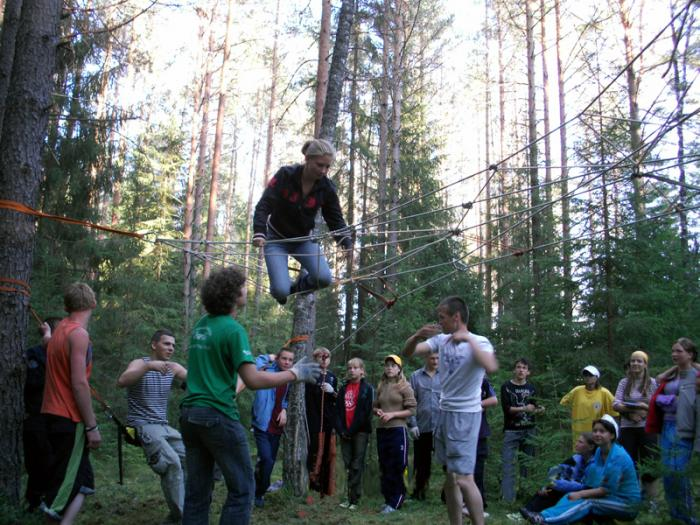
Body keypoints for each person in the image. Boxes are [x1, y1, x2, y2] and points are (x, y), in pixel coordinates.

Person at [179, 266, 320, 525]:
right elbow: (253, 380)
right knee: (243, 489)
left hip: (190, 416)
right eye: (243, 285)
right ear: (233, 294)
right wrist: (295, 374)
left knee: (197, 492)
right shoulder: (233, 330)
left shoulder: (201, 326)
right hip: (217, 415)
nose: (247, 288)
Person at [403, 295, 498, 525]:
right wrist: (418, 335)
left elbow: (491, 366)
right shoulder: (442, 341)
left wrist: (467, 339)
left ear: (456, 317)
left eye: (442, 317)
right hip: (444, 413)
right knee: (451, 478)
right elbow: (408, 353)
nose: (439, 322)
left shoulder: (480, 341)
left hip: (465, 416)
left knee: (465, 479)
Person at [252, 138, 353, 305]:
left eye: (327, 166)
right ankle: (283, 289)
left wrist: (346, 242)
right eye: (320, 165)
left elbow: (335, 218)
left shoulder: (326, 188)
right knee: (280, 291)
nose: (323, 170)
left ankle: (299, 285)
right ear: (307, 159)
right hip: (276, 239)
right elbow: (264, 205)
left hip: (303, 240)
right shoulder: (286, 175)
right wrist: (259, 231)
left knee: (324, 279)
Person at [41, 284, 100, 524]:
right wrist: (91, 426)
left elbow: (51, 347)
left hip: (51, 414)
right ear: (92, 304)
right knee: (65, 487)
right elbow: (79, 384)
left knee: (82, 480)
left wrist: (46, 336)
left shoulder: (59, 332)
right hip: (69, 417)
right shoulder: (79, 334)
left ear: (67, 306)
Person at [117, 329, 188, 524]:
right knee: (172, 463)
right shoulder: (140, 363)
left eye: (173, 345)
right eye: (166, 344)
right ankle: (181, 517)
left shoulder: (172, 367)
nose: (171, 348)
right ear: (154, 345)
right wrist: (148, 367)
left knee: (191, 459)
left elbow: (193, 380)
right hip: (143, 426)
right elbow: (122, 381)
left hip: (164, 426)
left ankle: (182, 510)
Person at [521, 415, 641, 524]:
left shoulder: (617, 456)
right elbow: (593, 481)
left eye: (602, 431)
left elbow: (606, 490)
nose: (597, 434)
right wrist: (572, 491)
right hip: (609, 498)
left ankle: (546, 520)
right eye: (595, 431)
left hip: (626, 504)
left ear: (612, 435)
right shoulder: (599, 451)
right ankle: (541, 515)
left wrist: (580, 493)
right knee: (570, 496)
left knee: (589, 502)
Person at [645, 338, 698, 525]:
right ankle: (675, 516)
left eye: (679, 351)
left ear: (690, 354)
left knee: (679, 474)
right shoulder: (671, 375)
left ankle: (688, 517)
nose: (674, 354)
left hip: (685, 429)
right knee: (668, 472)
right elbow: (659, 379)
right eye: (673, 351)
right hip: (667, 427)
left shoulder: (696, 376)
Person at [23, 316, 61, 511]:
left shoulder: (66, 359)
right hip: (36, 417)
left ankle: (50, 501)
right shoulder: (32, 355)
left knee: (54, 460)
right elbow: (33, 384)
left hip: (58, 418)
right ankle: (34, 501)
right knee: (37, 461)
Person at [250, 346, 294, 508]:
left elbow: (284, 398)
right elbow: (253, 367)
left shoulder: (288, 377)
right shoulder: (267, 370)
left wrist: (284, 409)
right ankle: (259, 492)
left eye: (290, 360)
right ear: (277, 359)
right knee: (267, 460)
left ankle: (257, 488)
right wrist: (267, 356)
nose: (287, 362)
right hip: (261, 425)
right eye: (284, 358)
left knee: (269, 461)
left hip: (277, 426)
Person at [373, 354, 417, 514]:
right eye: (387, 365)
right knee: (385, 466)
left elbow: (412, 409)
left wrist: (392, 415)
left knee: (397, 465)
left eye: (393, 365)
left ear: (399, 369)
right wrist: (377, 411)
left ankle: (397, 501)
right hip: (382, 430)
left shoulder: (404, 386)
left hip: (398, 430)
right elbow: (375, 406)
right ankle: (388, 500)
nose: (389, 368)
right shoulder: (381, 386)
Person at [612, 350, 658, 501]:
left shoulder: (652, 382)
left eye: (639, 361)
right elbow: (616, 404)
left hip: (647, 428)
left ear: (645, 364)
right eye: (633, 361)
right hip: (627, 428)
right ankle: (631, 497)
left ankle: (650, 500)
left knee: (648, 463)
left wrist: (644, 410)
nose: (635, 364)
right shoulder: (624, 382)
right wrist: (632, 413)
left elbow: (657, 404)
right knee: (629, 463)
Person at [520, 432, 596, 514]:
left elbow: (584, 487)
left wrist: (556, 484)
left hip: (584, 496)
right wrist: (546, 485)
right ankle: (528, 511)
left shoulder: (594, 464)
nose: (576, 444)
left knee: (554, 490)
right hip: (570, 488)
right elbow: (554, 471)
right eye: (577, 441)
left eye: (580, 442)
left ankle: (532, 512)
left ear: (591, 447)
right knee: (547, 489)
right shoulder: (576, 458)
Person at [500, 358, 543, 503]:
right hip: (511, 431)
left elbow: (535, 406)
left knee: (527, 464)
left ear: (528, 372)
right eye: (518, 367)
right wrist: (524, 408)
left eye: (524, 368)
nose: (521, 370)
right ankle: (508, 498)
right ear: (514, 370)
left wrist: (539, 410)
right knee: (508, 464)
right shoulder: (506, 386)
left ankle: (525, 495)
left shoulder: (531, 388)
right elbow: (507, 409)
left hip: (529, 431)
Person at [336, 358, 374, 511]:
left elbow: (365, 414)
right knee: (347, 464)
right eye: (350, 368)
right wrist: (341, 430)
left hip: (360, 432)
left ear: (362, 371)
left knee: (357, 464)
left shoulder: (367, 389)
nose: (352, 370)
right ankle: (348, 497)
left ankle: (354, 499)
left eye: (355, 367)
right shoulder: (343, 389)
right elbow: (337, 412)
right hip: (344, 432)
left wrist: (351, 431)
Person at [305, 347, 338, 497]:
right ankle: (313, 483)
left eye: (327, 357)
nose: (324, 359)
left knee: (329, 453)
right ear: (316, 359)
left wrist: (332, 391)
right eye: (320, 357)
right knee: (315, 451)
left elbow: (337, 398)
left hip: (329, 421)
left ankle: (326, 487)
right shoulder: (311, 375)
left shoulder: (332, 377)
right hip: (314, 420)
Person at [407, 351, 440, 501]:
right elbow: (410, 401)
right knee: (421, 461)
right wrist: (412, 424)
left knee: (448, 462)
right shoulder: (415, 376)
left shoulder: (446, 375)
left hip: (442, 427)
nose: (435, 361)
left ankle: (448, 495)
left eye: (438, 358)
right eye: (432, 358)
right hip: (422, 426)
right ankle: (419, 492)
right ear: (426, 358)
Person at [560, 365, 617, 450]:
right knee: (580, 455)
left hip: (597, 432)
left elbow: (615, 411)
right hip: (578, 431)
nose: (587, 377)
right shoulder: (577, 390)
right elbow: (563, 404)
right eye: (585, 375)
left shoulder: (604, 392)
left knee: (596, 455)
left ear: (596, 377)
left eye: (590, 375)